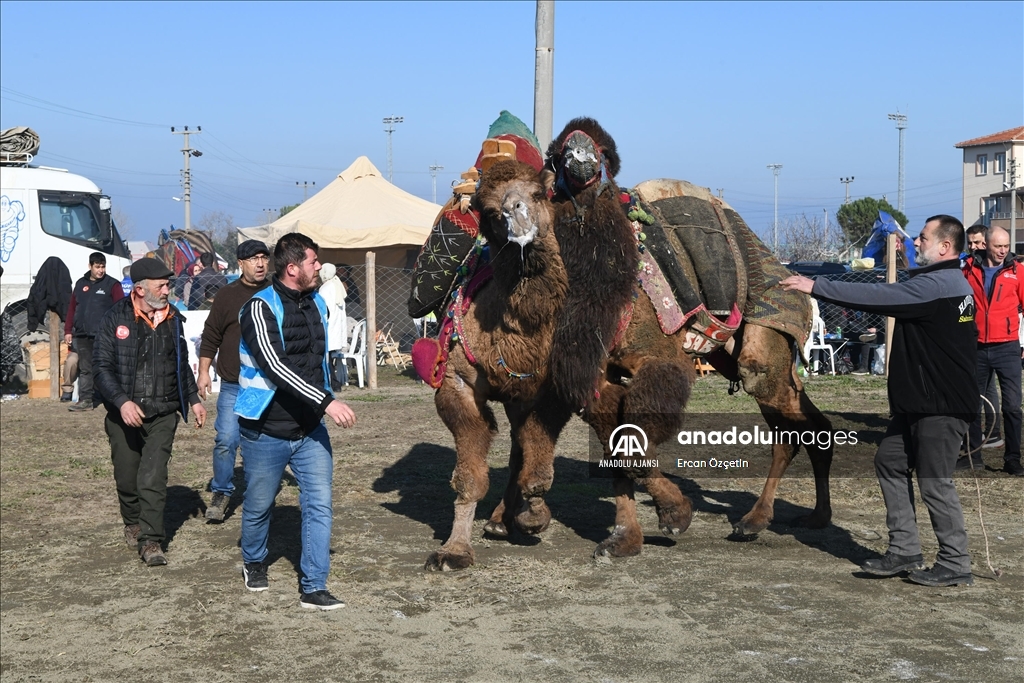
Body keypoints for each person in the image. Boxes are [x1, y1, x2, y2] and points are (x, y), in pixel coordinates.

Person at [782, 214, 977, 587]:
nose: (915, 242)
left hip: (940, 405)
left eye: (922, 237)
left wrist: (815, 285)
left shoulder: (937, 286)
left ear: (945, 247)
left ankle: (956, 562)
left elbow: (880, 295)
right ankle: (905, 550)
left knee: (935, 482)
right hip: (920, 402)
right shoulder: (949, 283)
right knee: (889, 461)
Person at [236, 233, 356, 609]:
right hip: (265, 428)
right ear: (292, 269)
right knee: (259, 505)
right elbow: (274, 366)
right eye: (312, 262)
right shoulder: (259, 308)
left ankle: (313, 586)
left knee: (320, 503)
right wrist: (327, 403)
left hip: (309, 430)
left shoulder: (317, 302)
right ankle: (254, 560)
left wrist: (325, 396)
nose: (319, 266)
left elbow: (317, 359)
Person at [92, 257, 207, 566]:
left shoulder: (174, 319)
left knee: (153, 475)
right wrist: (121, 401)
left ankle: (151, 541)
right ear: (140, 289)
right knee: (127, 477)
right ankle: (132, 521)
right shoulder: (114, 318)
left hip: (164, 410)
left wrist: (193, 399)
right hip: (124, 413)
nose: (168, 289)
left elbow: (181, 365)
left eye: (168, 284)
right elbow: (101, 369)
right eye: (162, 285)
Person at [196, 240, 271, 522]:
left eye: (264, 257)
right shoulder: (227, 296)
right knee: (226, 439)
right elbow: (211, 334)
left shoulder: (277, 292)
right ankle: (221, 491)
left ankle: (259, 494)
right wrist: (204, 371)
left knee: (262, 441)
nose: (261, 263)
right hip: (232, 382)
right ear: (241, 263)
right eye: (254, 259)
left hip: (267, 384)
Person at [962, 225, 1023, 476]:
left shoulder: (1017, 271)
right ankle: (973, 456)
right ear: (986, 245)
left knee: (1011, 405)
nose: (1003, 251)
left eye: (1006, 246)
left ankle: (1012, 459)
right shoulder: (968, 269)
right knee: (971, 403)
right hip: (976, 347)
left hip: (1007, 347)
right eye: (998, 246)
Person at [65, 252, 125, 411]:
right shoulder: (80, 284)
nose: (101, 270)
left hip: (104, 334)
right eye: (97, 267)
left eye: (103, 266)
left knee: (107, 367)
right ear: (90, 266)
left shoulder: (113, 285)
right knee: (86, 369)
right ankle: (86, 400)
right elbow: (72, 309)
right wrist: (68, 330)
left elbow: (121, 309)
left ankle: (112, 397)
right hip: (82, 334)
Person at [963, 222, 1002, 450]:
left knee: (987, 388)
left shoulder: (1000, 269)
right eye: (970, 243)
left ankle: (993, 431)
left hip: (997, 338)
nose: (973, 246)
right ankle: (979, 433)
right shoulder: (968, 266)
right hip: (973, 334)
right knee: (981, 386)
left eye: (977, 242)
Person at [317, 263, 349, 389]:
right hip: (336, 326)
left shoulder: (325, 288)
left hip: (329, 326)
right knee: (329, 356)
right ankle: (334, 382)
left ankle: (333, 382)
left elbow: (323, 309)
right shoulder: (337, 284)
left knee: (326, 356)